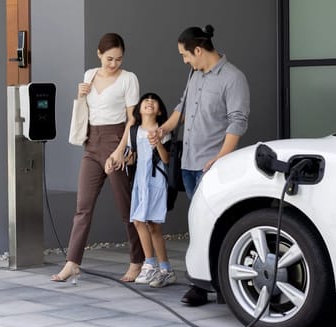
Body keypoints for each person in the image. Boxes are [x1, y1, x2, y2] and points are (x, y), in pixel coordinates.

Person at [151, 25, 250, 304]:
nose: (184, 60)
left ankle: (216, 286)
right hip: (189, 163)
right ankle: (202, 282)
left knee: (217, 224)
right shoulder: (195, 75)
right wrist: (163, 129)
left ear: (198, 49)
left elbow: (238, 121)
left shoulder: (233, 78)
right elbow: (182, 108)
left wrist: (220, 159)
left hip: (213, 166)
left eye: (185, 54)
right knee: (198, 225)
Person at [51, 33, 144, 284]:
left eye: (119, 59)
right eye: (109, 59)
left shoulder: (128, 79)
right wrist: (81, 94)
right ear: (99, 54)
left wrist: (120, 151)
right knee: (83, 207)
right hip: (92, 144)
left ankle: (137, 261)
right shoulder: (89, 75)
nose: (114, 64)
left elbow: (132, 120)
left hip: (116, 141)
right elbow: (86, 109)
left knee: (126, 208)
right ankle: (72, 262)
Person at [120, 93, 177, 288]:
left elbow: (166, 159)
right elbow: (131, 156)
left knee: (153, 225)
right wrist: (126, 160)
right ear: (140, 109)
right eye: (146, 100)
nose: (150, 102)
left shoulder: (163, 131)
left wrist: (158, 142)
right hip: (139, 181)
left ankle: (160, 267)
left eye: (154, 101)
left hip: (156, 181)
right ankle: (155, 265)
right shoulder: (134, 131)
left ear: (159, 110)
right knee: (138, 221)